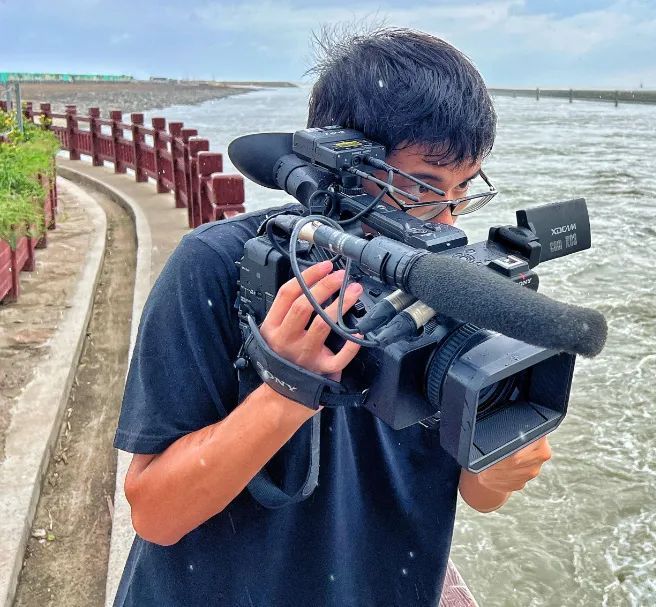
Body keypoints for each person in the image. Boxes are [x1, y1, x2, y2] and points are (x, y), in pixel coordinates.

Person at [113, 27, 552, 606]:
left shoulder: (458, 279)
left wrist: (498, 461)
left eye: (461, 192)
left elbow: (474, 489)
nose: (446, 223)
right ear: (335, 161)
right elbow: (155, 512)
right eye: (421, 189)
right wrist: (287, 388)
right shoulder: (220, 265)